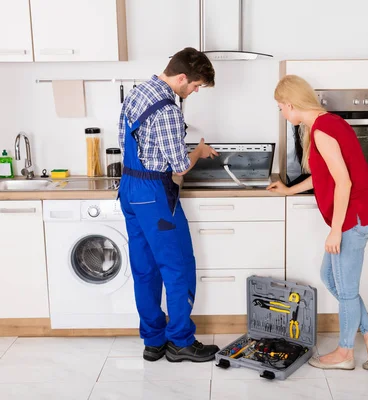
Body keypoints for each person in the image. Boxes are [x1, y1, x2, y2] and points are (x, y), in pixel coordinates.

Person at [267, 75, 368, 370]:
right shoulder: (326, 123)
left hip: (354, 218)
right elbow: (324, 175)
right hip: (357, 214)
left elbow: (344, 183)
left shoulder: (322, 131)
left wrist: (336, 231)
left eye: (282, 108)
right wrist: (289, 189)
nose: (283, 113)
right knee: (331, 276)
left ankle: (346, 353)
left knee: (346, 289)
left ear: (291, 104)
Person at [117, 47, 220, 363]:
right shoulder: (169, 111)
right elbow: (178, 167)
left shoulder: (137, 93)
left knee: (145, 269)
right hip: (154, 194)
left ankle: (154, 340)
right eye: (196, 85)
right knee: (178, 267)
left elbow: (127, 141)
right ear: (181, 78)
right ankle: (180, 342)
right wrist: (199, 152)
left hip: (130, 189)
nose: (195, 91)